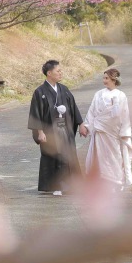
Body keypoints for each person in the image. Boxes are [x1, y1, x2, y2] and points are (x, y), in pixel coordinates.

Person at [27, 60, 83, 195]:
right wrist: (40, 132)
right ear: (49, 73)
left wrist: (81, 124)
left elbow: (73, 108)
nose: (60, 73)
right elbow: (36, 113)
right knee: (53, 155)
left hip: (65, 128)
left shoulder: (64, 89)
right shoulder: (40, 92)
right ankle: (56, 186)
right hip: (49, 131)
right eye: (58, 71)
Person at [79, 68, 132, 189]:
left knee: (114, 156)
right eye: (103, 78)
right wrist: (87, 126)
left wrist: (124, 131)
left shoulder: (121, 95)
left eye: (106, 78)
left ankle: (115, 181)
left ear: (114, 79)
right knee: (99, 157)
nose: (104, 80)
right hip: (100, 131)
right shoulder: (98, 94)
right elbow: (92, 111)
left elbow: (124, 114)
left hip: (113, 131)